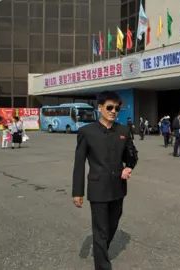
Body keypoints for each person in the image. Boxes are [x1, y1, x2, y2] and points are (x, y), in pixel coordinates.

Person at [72, 91, 138, 270]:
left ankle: (101, 251)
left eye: (117, 108)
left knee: (112, 226)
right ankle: (102, 265)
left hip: (118, 188)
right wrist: (77, 192)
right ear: (100, 107)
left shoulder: (123, 130)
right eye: (109, 107)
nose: (113, 111)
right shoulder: (86, 132)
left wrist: (128, 167)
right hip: (98, 188)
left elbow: (132, 155)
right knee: (100, 230)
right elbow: (79, 164)